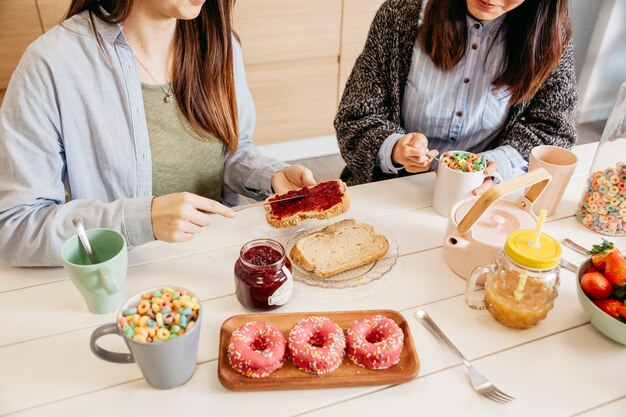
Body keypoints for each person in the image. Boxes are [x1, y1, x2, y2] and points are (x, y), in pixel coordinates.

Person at [0, 0, 316, 267]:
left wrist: (269, 176)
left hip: (216, 262)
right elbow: (15, 227)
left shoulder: (221, 43)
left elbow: (229, 152)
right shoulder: (52, 63)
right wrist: (141, 220)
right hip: (127, 277)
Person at [335, 0, 577, 190]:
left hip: (482, 196)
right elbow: (355, 118)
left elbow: (555, 130)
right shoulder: (400, 16)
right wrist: (395, 147)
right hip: (390, 186)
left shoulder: (549, 39)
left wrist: (497, 164)